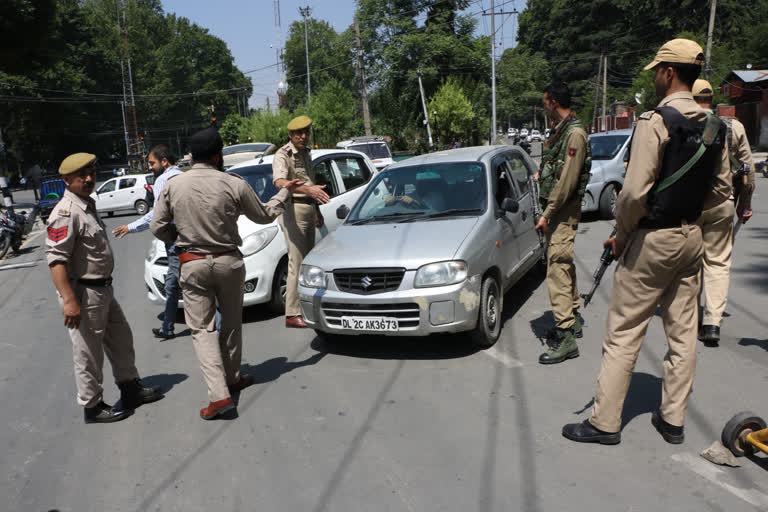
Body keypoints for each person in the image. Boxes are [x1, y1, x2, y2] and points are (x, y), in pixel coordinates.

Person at [562, 39, 731, 445]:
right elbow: (722, 189)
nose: (654, 76)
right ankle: (672, 420)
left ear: (669, 73)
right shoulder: (714, 126)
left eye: (657, 70)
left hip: (653, 239)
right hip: (692, 238)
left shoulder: (656, 121)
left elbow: (634, 193)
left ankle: (604, 423)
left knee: (624, 331)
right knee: (683, 332)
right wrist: (689, 212)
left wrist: (621, 235)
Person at [151, 128, 302, 420]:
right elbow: (265, 214)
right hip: (229, 263)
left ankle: (220, 396)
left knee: (202, 331)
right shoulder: (233, 183)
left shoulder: (174, 185)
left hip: (192, 263)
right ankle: (231, 379)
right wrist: (285, 191)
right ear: (218, 155)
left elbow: (157, 226)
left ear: (191, 156)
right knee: (231, 323)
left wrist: (180, 238)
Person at [45, 153, 163, 424]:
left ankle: (130, 388)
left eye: (91, 173)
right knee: (88, 352)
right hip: (84, 294)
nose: (89, 179)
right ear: (66, 180)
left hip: (102, 290)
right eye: (81, 175)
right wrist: (69, 300)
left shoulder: (87, 204)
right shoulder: (65, 213)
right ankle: (93, 406)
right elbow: (56, 261)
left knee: (121, 339)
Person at [691, 79, 756, 345]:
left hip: (690, 205)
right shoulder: (732, 126)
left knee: (691, 264)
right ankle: (713, 323)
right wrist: (745, 203)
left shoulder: (681, 123)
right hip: (722, 203)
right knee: (717, 263)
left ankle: (691, 319)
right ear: (711, 97)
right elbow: (748, 170)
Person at [535, 81, 591, 365]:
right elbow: (556, 170)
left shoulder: (575, 134)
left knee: (556, 268)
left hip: (562, 212)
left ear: (554, 102)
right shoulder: (561, 131)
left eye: (545, 101)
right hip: (558, 211)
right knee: (564, 264)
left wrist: (547, 213)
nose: (544, 106)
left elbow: (568, 181)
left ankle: (566, 336)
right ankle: (574, 317)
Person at [112, 145, 183, 340]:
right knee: (177, 283)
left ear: (164, 162)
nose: (150, 167)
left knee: (179, 284)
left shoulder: (163, 180)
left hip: (176, 239)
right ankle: (167, 326)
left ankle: (217, 324)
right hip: (191, 236)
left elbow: (157, 214)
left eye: (152, 163)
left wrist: (131, 227)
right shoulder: (184, 177)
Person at [272, 115, 329, 328]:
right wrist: (308, 190)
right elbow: (280, 182)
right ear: (290, 135)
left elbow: (310, 181)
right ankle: (292, 313)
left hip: (308, 208)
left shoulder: (306, 153)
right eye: (298, 133)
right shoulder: (283, 154)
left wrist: (317, 209)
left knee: (308, 261)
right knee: (296, 261)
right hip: (293, 210)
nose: (303, 136)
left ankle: (306, 306)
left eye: (306, 132)